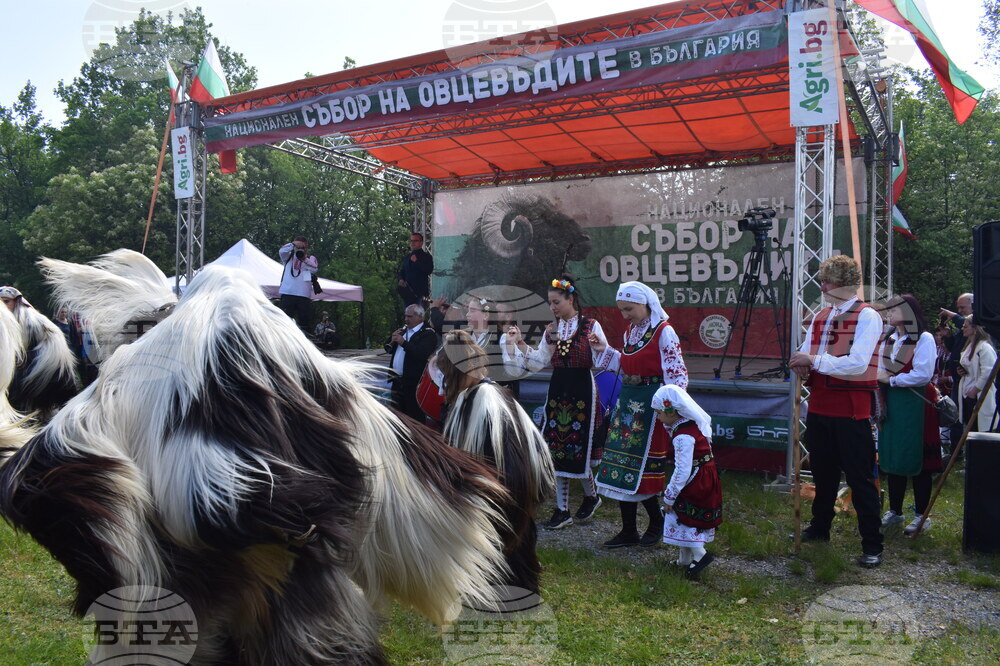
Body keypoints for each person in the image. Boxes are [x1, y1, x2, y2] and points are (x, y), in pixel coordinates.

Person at [433, 330, 554, 593]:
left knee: (495, 541)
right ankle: (523, 585)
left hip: (497, 489)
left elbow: (459, 460)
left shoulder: (470, 402)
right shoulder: (500, 394)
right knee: (519, 539)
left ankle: (493, 586)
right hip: (527, 483)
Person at [788, 255, 884, 568]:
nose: (822, 286)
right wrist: (801, 361)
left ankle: (872, 543)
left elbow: (858, 363)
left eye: (827, 281)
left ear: (844, 284)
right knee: (822, 473)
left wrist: (814, 361)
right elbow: (809, 352)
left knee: (860, 478)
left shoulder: (867, 316)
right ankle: (820, 528)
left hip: (852, 410)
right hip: (820, 407)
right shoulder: (821, 316)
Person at [588, 281, 688, 548]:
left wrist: (669, 411)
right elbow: (626, 362)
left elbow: (677, 375)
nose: (625, 315)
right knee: (622, 465)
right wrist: (603, 351)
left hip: (652, 407)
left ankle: (656, 522)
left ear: (646, 304)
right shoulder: (631, 331)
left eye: (629, 309)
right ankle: (629, 530)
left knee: (643, 467)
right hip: (628, 403)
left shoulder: (665, 332)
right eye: (622, 310)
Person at [505, 276, 605, 530]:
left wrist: (600, 348)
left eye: (556, 302)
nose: (553, 307)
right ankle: (565, 509)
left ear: (571, 299)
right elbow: (539, 361)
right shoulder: (552, 330)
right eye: (550, 303)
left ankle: (590, 497)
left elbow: (602, 359)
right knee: (557, 447)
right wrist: (519, 343)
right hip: (559, 389)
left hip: (582, 389)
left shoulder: (591, 325)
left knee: (577, 447)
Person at [876, 294, 942, 537]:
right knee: (894, 455)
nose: (889, 314)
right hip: (893, 404)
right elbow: (880, 369)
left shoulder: (923, 338)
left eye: (892, 310)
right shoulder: (890, 338)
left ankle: (921, 515)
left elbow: (923, 374)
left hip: (916, 404)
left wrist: (891, 379)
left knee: (919, 460)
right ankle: (895, 511)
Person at [651, 384, 722, 579]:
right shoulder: (690, 424)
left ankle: (700, 556)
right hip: (703, 476)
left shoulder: (683, 436)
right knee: (685, 517)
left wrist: (670, 495)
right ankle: (684, 560)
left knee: (684, 516)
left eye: (658, 413)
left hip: (695, 480)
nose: (657, 417)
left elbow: (682, 470)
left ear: (671, 411)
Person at [1, 286, 78, 418]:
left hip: (46, 365)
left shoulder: (29, 320)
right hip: (45, 365)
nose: (3, 306)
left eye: (6, 302)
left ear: (17, 302)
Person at [384, 303, 439, 421]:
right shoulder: (403, 331)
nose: (406, 319)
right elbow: (388, 349)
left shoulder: (428, 333)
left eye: (410, 317)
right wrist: (392, 339)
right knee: (397, 418)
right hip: (397, 381)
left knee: (413, 417)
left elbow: (420, 354)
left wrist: (403, 342)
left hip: (413, 383)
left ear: (420, 317)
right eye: (405, 316)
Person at [957, 315, 998, 433]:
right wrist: (961, 371)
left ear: (975, 328)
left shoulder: (984, 348)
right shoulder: (968, 347)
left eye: (965, 326)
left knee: (980, 431)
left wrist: (975, 390)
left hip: (977, 396)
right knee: (971, 431)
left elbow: (988, 373)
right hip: (967, 394)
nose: (962, 328)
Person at [278, 236, 318, 333]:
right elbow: (281, 251)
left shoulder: (310, 259)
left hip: (303, 295)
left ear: (307, 247)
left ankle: (306, 344)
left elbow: (314, 269)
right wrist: (293, 245)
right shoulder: (288, 257)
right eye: (299, 247)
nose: (300, 249)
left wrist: (304, 259)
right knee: (283, 321)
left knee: (305, 323)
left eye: (303, 247)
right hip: (288, 293)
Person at [397, 232, 434, 306]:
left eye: (415, 241)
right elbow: (402, 272)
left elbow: (429, 270)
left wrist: (416, 262)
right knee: (408, 315)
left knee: (419, 315)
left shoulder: (427, 257)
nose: (412, 243)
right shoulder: (407, 257)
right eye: (411, 241)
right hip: (408, 293)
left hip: (421, 294)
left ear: (421, 243)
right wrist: (400, 279)